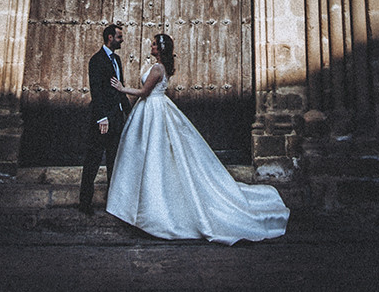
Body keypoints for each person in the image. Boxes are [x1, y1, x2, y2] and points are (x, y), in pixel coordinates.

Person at [105, 32, 289, 243]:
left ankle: (151, 211)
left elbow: (145, 92)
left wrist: (122, 88)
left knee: (153, 154)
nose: (152, 46)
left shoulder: (157, 68)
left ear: (160, 49)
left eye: (155, 44)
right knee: (150, 154)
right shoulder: (159, 67)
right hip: (153, 110)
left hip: (153, 109)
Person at [77, 22, 129, 213]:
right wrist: (101, 117)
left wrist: (128, 112)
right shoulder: (96, 60)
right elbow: (96, 91)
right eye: (119, 37)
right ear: (110, 37)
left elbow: (119, 89)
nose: (121, 40)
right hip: (102, 121)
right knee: (93, 159)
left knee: (114, 162)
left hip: (116, 119)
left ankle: (113, 203)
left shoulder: (117, 60)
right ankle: (85, 203)